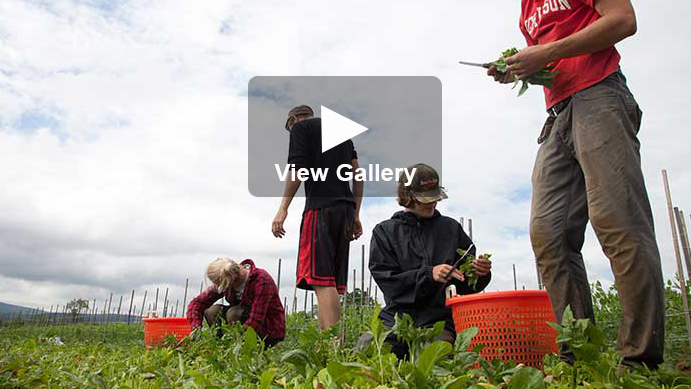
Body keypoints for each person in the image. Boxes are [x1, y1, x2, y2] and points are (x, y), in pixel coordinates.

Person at [486, 0, 664, 368]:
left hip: (600, 95)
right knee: (547, 233)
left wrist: (543, 54)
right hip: (558, 113)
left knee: (617, 221)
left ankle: (639, 359)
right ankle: (578, 354)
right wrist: (517, 68)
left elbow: (623, 20)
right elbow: (548, 63)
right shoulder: (528, 3)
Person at [364, 163, 491, 359]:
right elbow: (388, 282)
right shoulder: (385, 232)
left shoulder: (451, 229)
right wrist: (428, 274)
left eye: (435, 197)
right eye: (426, 199)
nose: (432, 204)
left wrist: (479, 273)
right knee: (368, 348)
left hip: (438, 320)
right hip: (396, 319)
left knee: (433, 357)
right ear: (407, 196)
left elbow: (467, 285)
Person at [271, 105, 363, 330]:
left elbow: (297, 169)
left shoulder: (301, 128)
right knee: (327, 281)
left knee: (320, 280)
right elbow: (358, 176)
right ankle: (325, 342)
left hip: (320, 209)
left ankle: (334, 348)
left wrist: (283, 208)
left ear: (294, 119)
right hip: (345, 210)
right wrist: (356, 214)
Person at [186, 258, 285, 348]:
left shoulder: (261, 280)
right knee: (212, 311)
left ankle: (243, 349)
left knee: (233, 313)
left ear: (230, 282)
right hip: (242, 324)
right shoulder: (227, 278)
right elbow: (197, 303)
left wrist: (237, 346)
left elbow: (256, 319)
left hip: (268, 331)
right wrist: (196, 329)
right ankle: (219, 346)